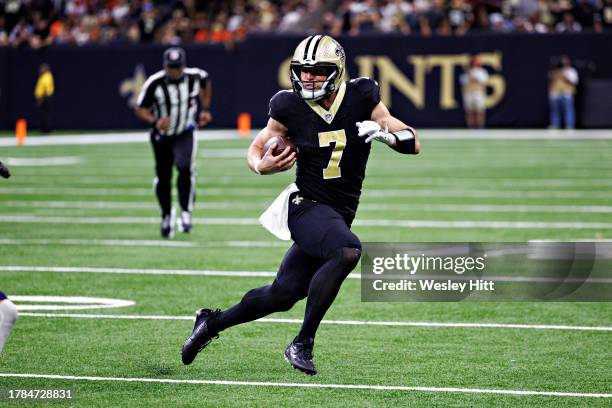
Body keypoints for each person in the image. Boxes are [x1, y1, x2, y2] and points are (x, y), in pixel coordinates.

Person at [182, 35, 420, 375]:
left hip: (336, 215)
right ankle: (302, 342)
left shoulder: (363, 95)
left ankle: (210, 323)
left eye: (318, 70)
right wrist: (259, 165)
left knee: (282, 294)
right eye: (303, 70)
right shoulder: (288, 106)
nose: (309, 77)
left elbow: (413, 141)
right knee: (348, 251)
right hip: (304, 205)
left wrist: (388, 137)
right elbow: (257, 146)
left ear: (336, 71)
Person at [135, 47, 212, 238]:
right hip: (161, 135)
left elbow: (206, 81)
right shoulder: (155, 83)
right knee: (164, 176)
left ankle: (185, 213)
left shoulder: (194, 77)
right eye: (171, 67)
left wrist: (205, 108)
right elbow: (140, 108)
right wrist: (154, 121)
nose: (174, 71)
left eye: (177, 67)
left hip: (184, 131)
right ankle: (166, 215)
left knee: (184, 167)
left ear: (183, 66)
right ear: (165, 66)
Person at [548, 55, 578, 129]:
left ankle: (569, 125)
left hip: (566, 93)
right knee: (555, 111)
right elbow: (550, 81)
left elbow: (574, 81)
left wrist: (565, 76)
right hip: (556, 94)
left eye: (566, 61)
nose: (564, 63)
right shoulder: (555, 71)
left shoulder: (571, 71)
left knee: (568, 110)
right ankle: (555, 125)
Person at [460, 55, 489, 129]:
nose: (474, 65)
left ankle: (480, 128)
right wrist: (469, 74)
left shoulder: (481, 71)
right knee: (469, 111)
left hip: (478, 93)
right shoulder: (466, 71)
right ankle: (470, 128)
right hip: (468, 93)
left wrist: (474, 75)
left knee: (479, 111)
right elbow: (462, 81)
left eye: (475, 63)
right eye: (473, 63)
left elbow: (484, 80)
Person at [34, 63, 54, 134]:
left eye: (42, 68)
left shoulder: (47, 76)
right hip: (44, 97)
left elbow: (45, 90)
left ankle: (46, 130)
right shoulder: (43, 76)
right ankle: (44, 129)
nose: (40, 70)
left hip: (45, 98)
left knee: (45, 114)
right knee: (44, 114)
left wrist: (41, 99)